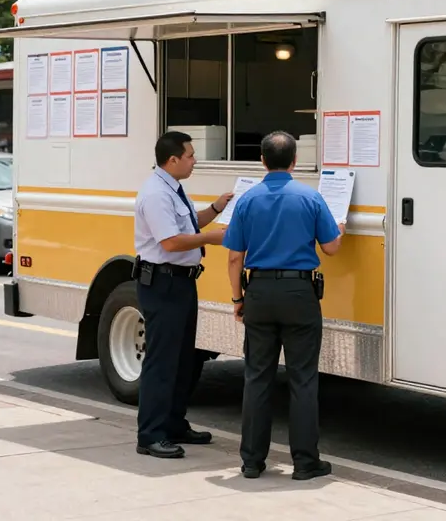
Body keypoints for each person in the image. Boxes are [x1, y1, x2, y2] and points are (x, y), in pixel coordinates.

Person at [223, 130, 345, 480]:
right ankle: (306, 462)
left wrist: (238, 298)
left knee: (257, 378)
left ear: (262, 161)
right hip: (299, 295)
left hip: (259, 292)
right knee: (302, 380)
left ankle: (251, 462)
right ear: (294, 161)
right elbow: (332, 248)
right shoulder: (310, 197)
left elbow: (234, 258)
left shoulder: (247, 200)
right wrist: (341, 229)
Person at [134, 130, 233, 459]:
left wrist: (217, 207)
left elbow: (189, 224)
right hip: (163, 284)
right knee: (162, 361)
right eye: (190, 155)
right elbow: (172, 242)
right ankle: (150, 434)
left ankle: (174, 423)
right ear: (172, 159)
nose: (194, 161)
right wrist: (212, 239)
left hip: (181, 282)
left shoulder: (173, 188)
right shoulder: (155, 194)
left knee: (184, 359)